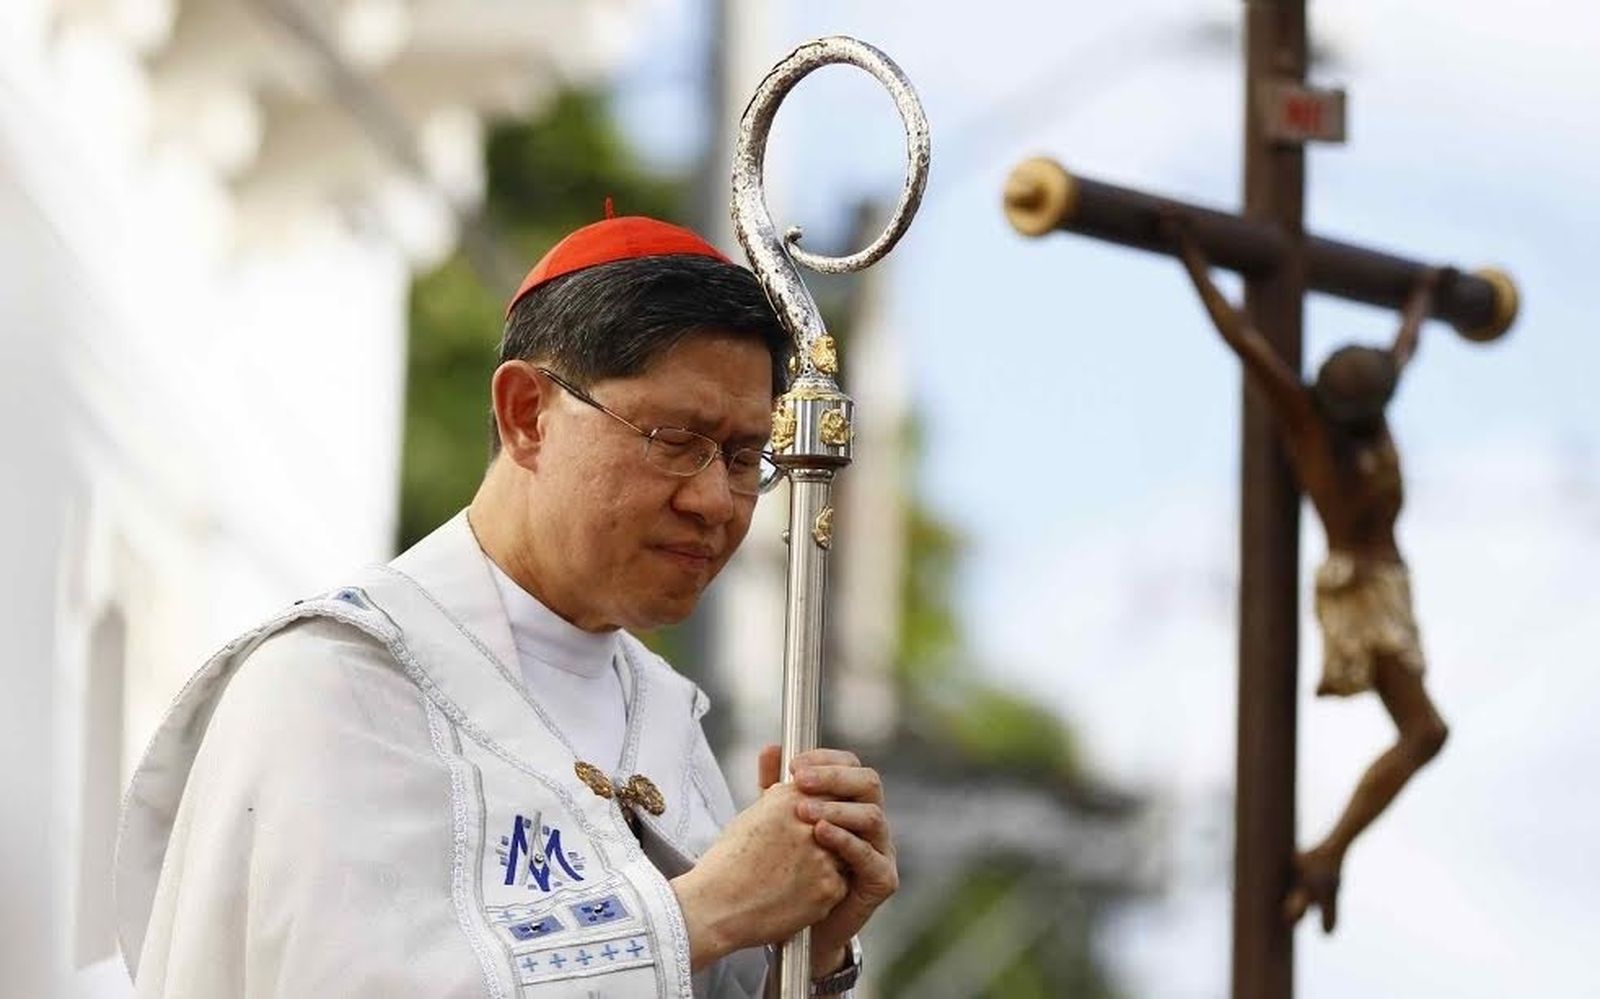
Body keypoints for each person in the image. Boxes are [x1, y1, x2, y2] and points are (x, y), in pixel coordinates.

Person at [116, 215, 897, 997]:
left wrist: (808, 958)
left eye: (742, 457)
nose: (713, 501)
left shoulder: (667, 727)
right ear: (528, 414)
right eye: (675, 439)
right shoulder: (333, 681)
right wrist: (705, 911)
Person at [1162, 214, 1452, 934]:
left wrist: (1422, 294)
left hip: (1389, 583)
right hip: (1358, 589)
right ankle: (1326, 852)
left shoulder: (1367, 420)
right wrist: (1190, 252)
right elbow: (1242, 335)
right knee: (1425, 732)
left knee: (1425, 734)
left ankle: (1329, 852)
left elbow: (1403, 347)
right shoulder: (1311, 424)